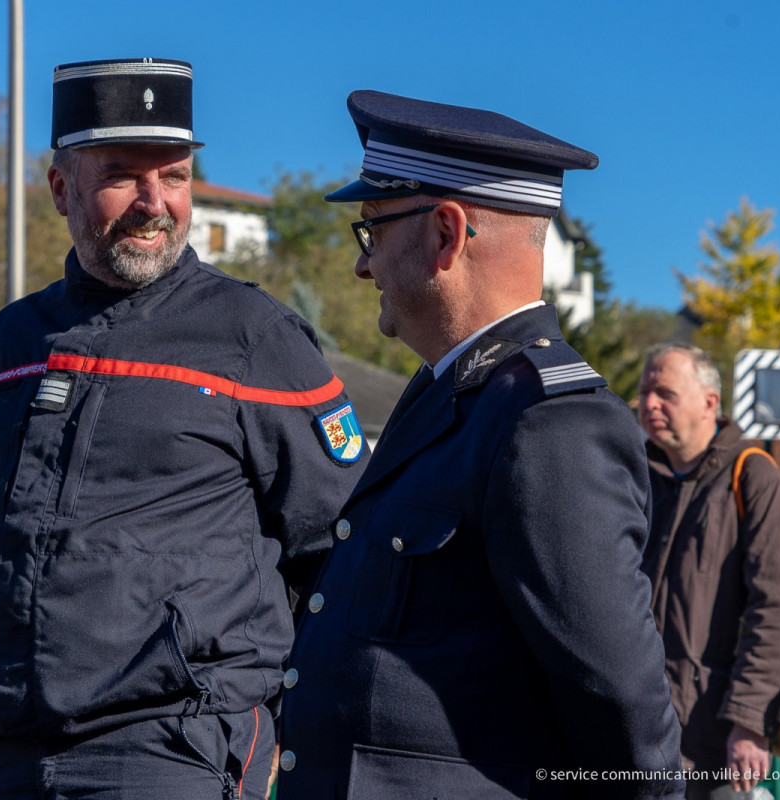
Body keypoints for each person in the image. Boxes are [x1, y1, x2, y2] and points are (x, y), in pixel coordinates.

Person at [0, 58, 366, 800]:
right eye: (123, 175)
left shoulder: (253, 335)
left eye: (173, 176)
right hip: (1, 753)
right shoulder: (7, 345)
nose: (154, 202)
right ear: (59, 188)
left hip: (174, 752)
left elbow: (339, 552)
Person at [276, 91, 685, 800]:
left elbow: (619, 702)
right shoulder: (449, 398)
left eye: (371, 231)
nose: (362, 267)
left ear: (445, 233)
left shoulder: (548, 423)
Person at [638, 344, 780, 799]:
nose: (649, 404)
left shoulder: (753, 476)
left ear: (709, 403)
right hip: (641, 738)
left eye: (665, 393)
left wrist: (749, 718)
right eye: (644, 392)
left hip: (714, 744)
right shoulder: (638, 478)